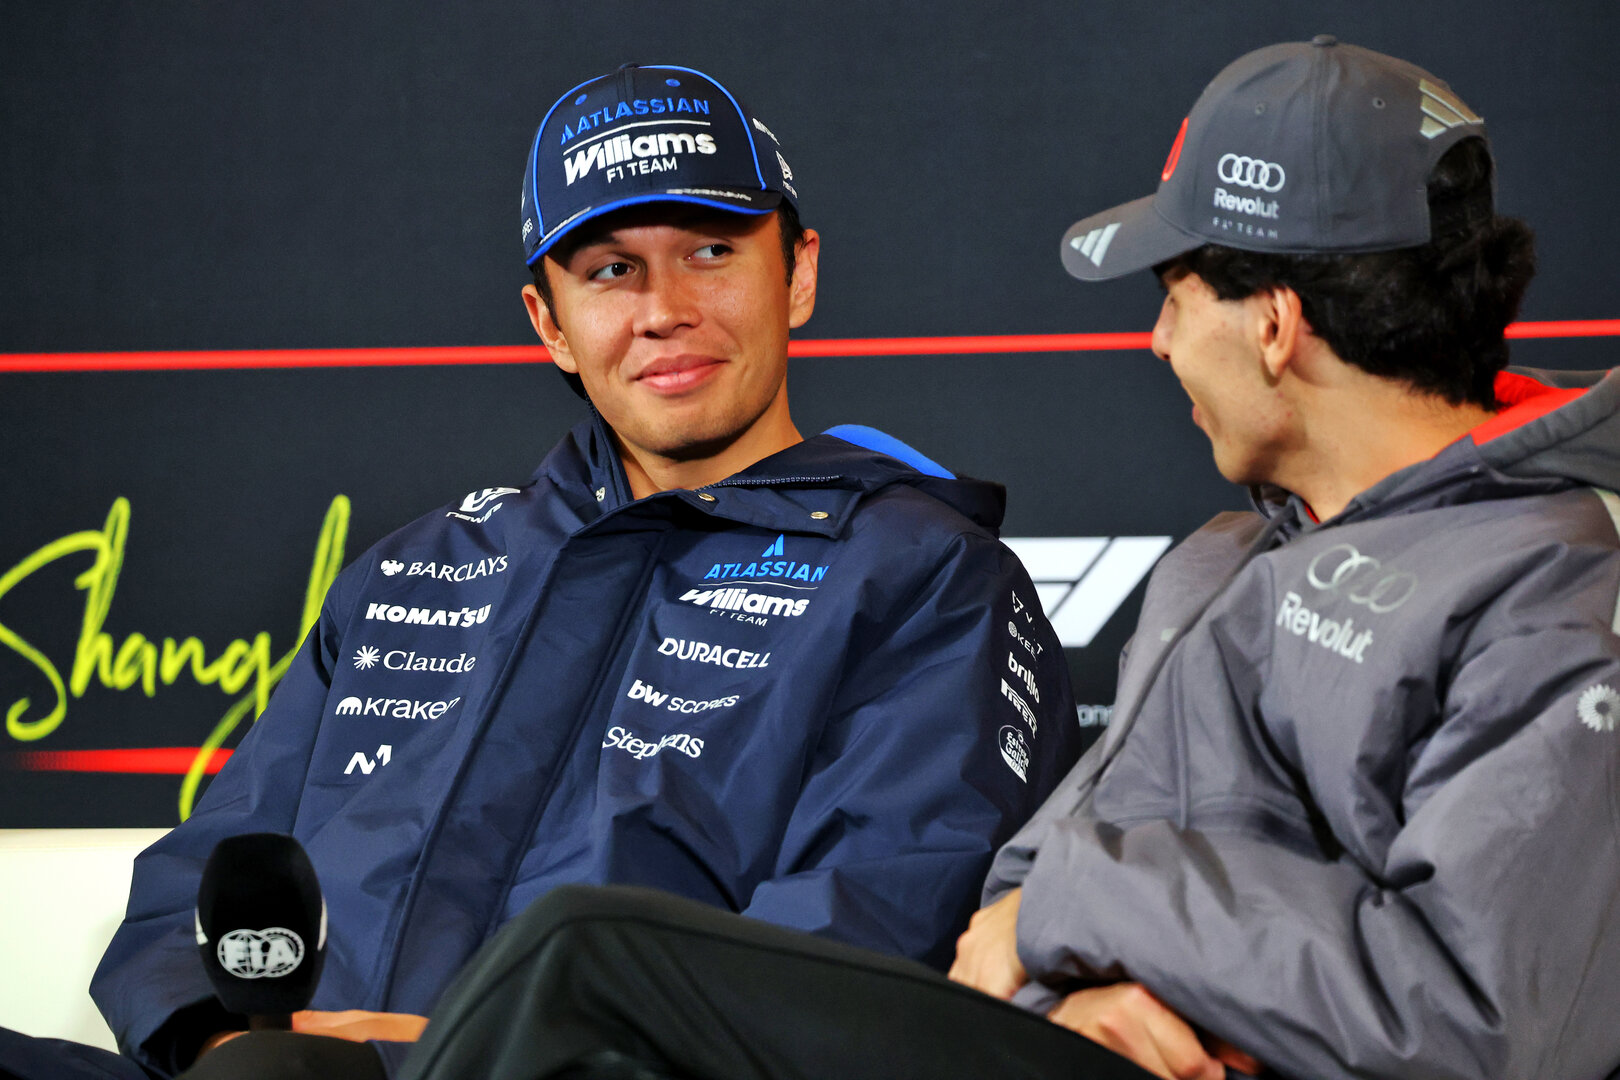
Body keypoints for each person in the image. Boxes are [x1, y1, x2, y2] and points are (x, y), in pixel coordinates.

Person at [392, 39, 1620, 1080]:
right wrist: (1066, 1003)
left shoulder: (1559, 584)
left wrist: (1090, 923)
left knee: (579, 962)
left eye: (1174, 294)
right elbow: (1010, 913)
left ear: (1275, 326)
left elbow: (1491, 1011)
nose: (1153, 341)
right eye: (614, 271)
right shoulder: (1218, 563)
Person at [43, 64, 1083, 1080]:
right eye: (610, 271)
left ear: (797, 274)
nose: (663, 308)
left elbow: (858, 955)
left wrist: (424, 1052)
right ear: (550, 324)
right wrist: (230, 1046)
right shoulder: (418, 566)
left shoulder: (925, 578)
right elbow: (194, 886)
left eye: (712, 250)